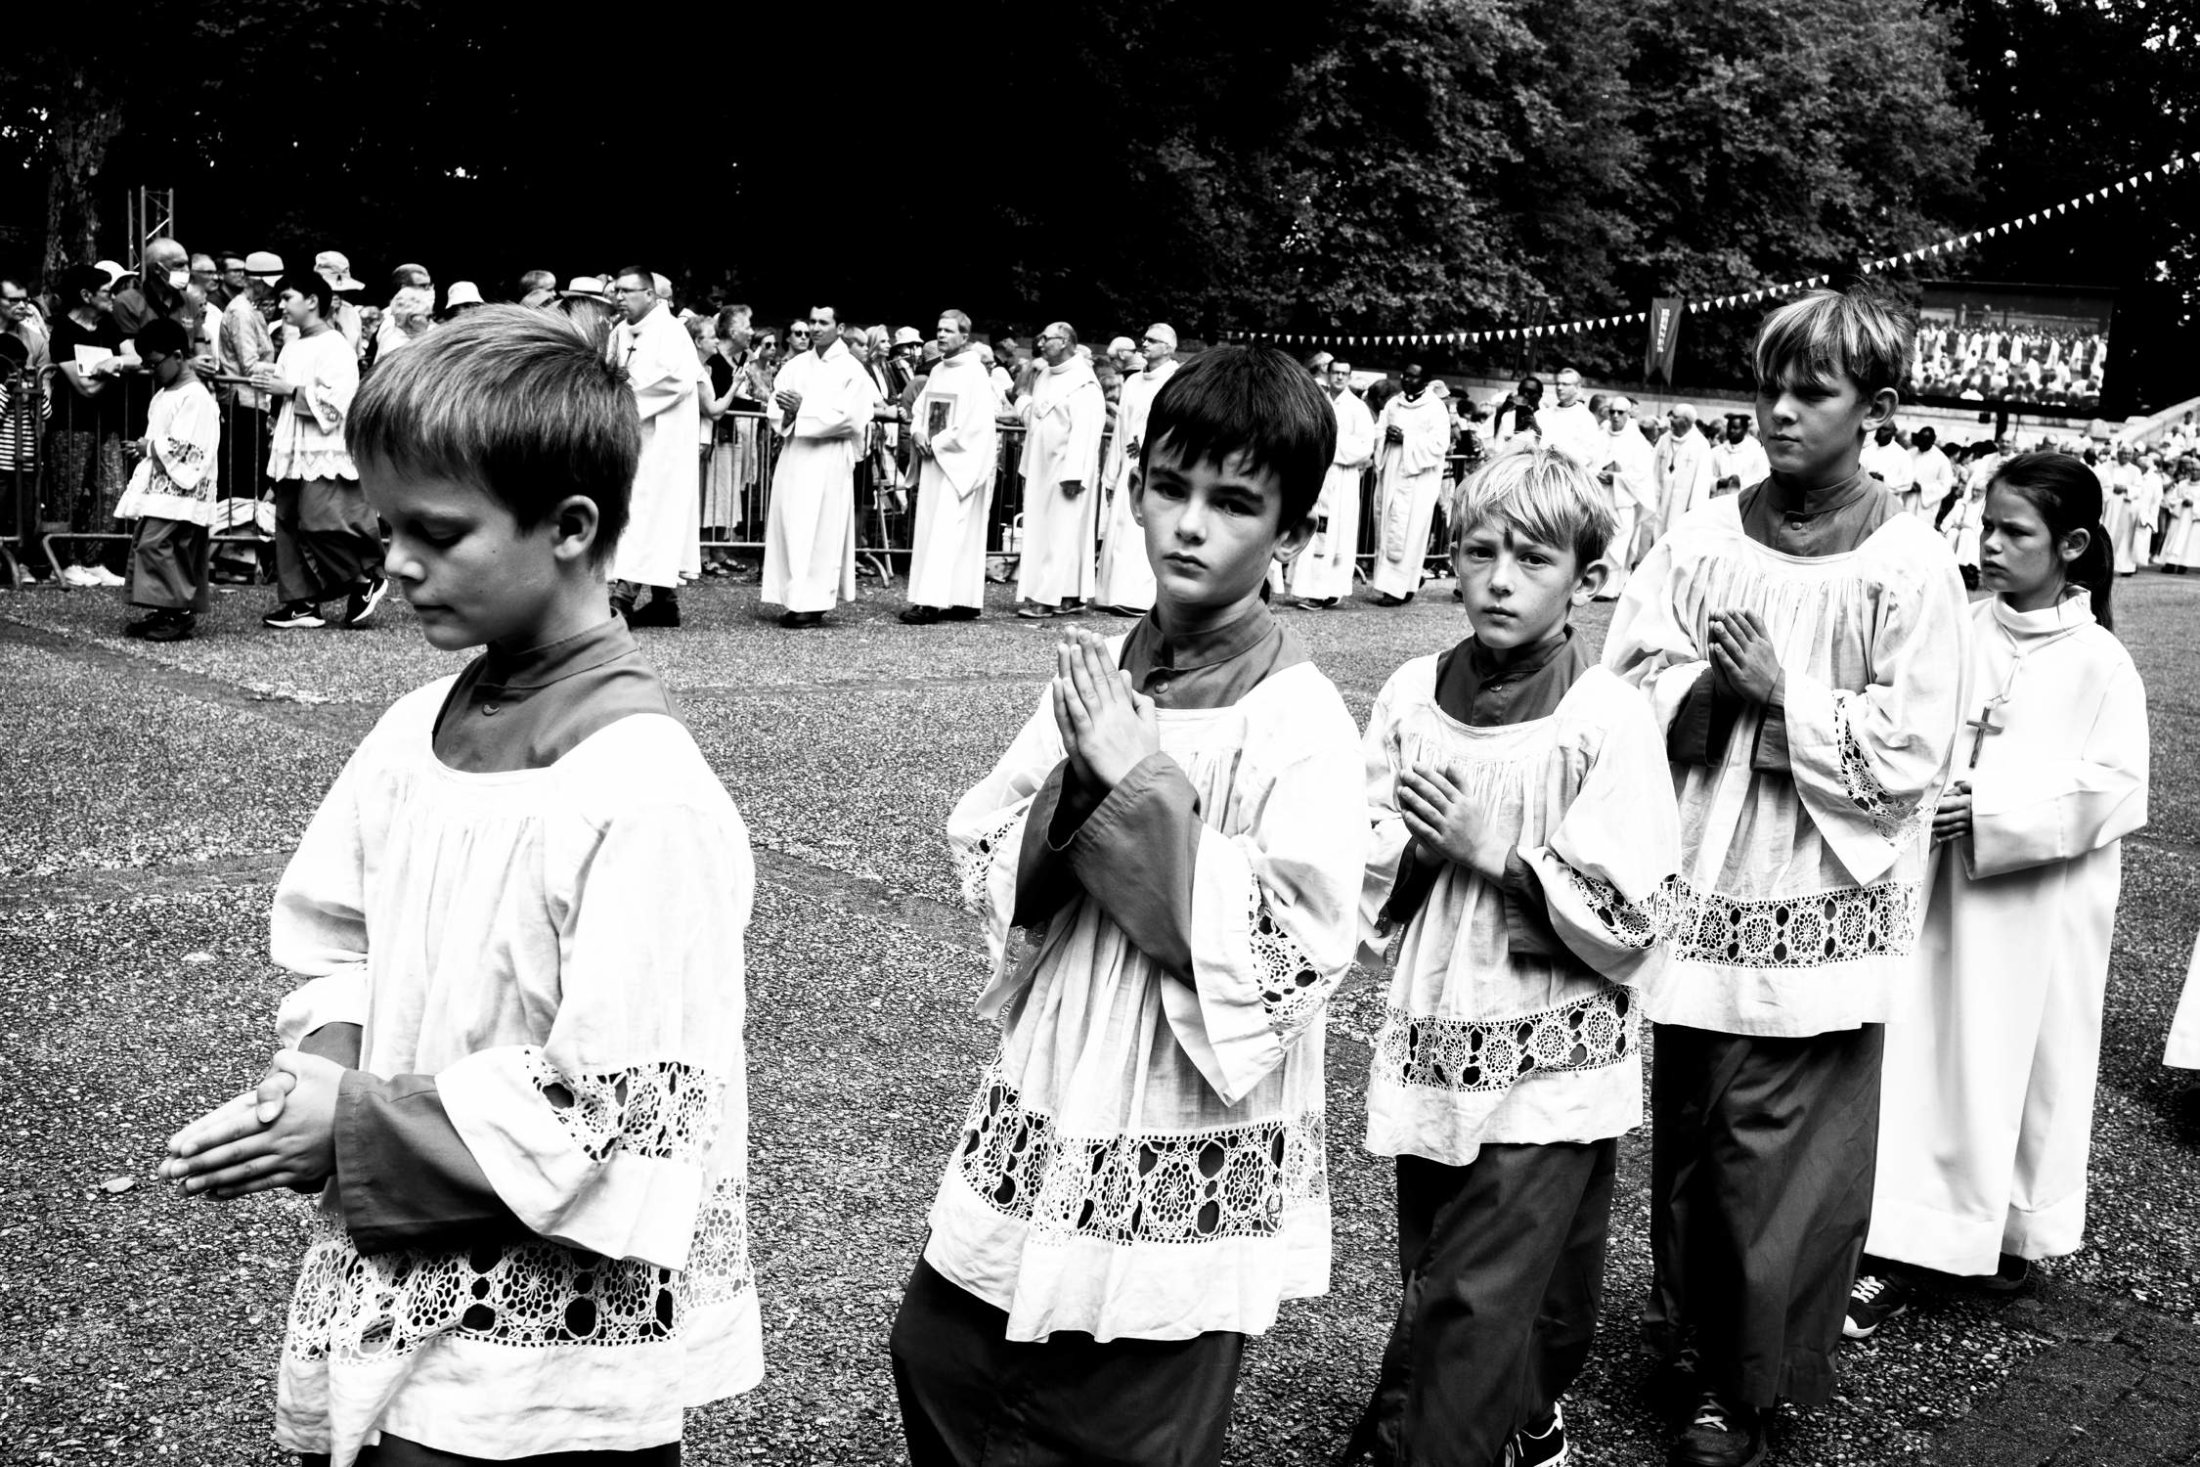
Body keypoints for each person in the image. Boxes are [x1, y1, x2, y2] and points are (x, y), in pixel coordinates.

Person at [156, 306, 761, 1466]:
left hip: (538, 1360)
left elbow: (622, 1115)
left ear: (573, 528)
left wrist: (359, 1130)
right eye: (387, 527)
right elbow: (340, 933)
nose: (394, 562)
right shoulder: (410, 730)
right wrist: (322, 1074)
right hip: (394, 1276)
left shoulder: (643, 792)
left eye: (436, 532)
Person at [890, 345, 1363, 1467]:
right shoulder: (1101, 666)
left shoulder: (1300, 720)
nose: (1189, 526)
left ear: (1290, 532)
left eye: (1235, 503)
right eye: (1171, 487)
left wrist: (1142, 784)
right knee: (942, 1351)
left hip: (1178, 1097)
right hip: (1064, 1060)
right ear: (1134, 484)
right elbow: (987, 841)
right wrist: (1079, 780)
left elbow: (1298, 953)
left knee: (1122, 1413)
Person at [1603, 289, 1968, 1467]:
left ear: (1878, 409)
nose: (1777, 412)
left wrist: (1785, 701)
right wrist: (1709, 695)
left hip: (1818, 887)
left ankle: (1746, 1379)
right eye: (1768, 387)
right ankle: (1689, 1329)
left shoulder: (1908, 566)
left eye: (1810, 392)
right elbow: (1629, 670)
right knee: (1697, 1130)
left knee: (1777, 1151)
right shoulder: (1704, 537)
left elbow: (1913, 750)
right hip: (1701, 879)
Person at [1346, 441, 1681, 1467]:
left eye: (1532, 560)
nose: (1498, 580)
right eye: (1478, 552)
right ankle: (1522, 1411)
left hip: (1551, 1045)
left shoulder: (1604, 716)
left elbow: (1636, 908)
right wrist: (1403, 853)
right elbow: (1359, 858)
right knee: (1440, 1258)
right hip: (1439, 1022)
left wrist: (1500, 855)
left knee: (1489, 1283)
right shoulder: (1410, 692)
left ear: (1586, 579)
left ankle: (1433, 1441)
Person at [1848, 452, 2146, 1340]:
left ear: (2075, 545)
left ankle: (2009, 1227)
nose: (1992, 544)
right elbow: (1905, 722)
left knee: (2022, 1065)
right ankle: (1898, 1237)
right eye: (1987, 526)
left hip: (2035, 910)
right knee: (1925, 1055)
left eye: (2015, 531)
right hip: (1939, 897)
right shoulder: (1961, 631)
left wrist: (1996, 808)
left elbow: (2118, 787)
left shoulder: (2103, 663)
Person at [258, 273, 388, 631]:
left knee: (320, 520)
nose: (281, 305)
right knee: (286, 521)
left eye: (287, 297)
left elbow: (340, 401)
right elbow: (282, 395)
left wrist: (290, 390)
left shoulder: (336, 346)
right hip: (291, 442)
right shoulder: (291, 346)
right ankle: (302, 602)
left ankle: (365, 577)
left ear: (312, 300)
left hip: (322, 445)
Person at [603, 267, 704, 628]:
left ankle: (622, 598)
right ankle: (665, 602)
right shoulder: (618, 331)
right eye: (616, 291)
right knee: (642, 513)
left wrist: (627, 395)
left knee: (651, 513)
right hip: (632, 437)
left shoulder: (672, 331)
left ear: (649, 294)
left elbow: (678, 380)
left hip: (665, 442)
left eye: (628, 291)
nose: (619, 298)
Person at [764, 305, 874, 628]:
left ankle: (813, 602)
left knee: (821, 528)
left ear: (839, 328)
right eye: (811, 322)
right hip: (796, 453)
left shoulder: (853, 370)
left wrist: (805, 408)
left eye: (823, 322)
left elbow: (852, 418)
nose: (815, 328)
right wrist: (788, 414)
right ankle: (792, 595)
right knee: (791, 524)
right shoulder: (796, 365)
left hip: (828, 457)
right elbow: (776, 406)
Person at [114, 319, 222, 641]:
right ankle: (166, 609)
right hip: (165, 489)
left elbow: (190, 447)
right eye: (146, 364)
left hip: (180, 491)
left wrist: (151, 447)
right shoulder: (167, 393)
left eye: (154, 363)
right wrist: (149, 450)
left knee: (159, 545)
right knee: (157, 544)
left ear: (177, 355)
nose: (150, 370)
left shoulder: (196, 396)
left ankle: (178, 612)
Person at [900, 310, 999, 624]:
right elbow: (920, 410)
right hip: (935, 462)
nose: (940, 335)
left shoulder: (975, 374)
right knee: (935, 530)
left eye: (948, 331)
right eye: (938, 330)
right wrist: (917, 431)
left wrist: (938, 441)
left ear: (965, 337)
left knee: (947, 532)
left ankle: (932, 602)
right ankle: (960, 599)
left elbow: (976, 425)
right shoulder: (940, 370)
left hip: (957, 464)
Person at [44, 261, 135, 586]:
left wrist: (115, 363)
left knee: (112, 488)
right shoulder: (64, 332)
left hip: (105, 422)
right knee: (66, 493)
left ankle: (93, 557)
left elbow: (134, 357)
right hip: (70, 424)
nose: (113, 298)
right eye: (106, 292)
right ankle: (64, 561)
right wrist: (114, 373)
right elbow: (83, 387)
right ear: (85, 295)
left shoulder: (109, 324)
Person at [1012, 322, 1105, 619]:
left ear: (1064, 341)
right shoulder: (1046, 377)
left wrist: (1074, 473)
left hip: (1066, 470)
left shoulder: (1084, 383)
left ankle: (1046, 597)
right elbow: (1039, 419)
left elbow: (1086, 430)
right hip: (1042, 467)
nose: (1040, 344)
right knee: (1047, 532)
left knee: (1061, 534)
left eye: (1046, 338)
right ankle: (1068, 595)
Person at [1093, 323, 1180, 616]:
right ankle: (1112, 592)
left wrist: (1148, 450)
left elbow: (1175, 424)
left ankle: (1141, 597)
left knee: (1143, 527)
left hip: (1158, 464)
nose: (1144, 344)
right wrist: (1112, 471)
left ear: (1168, 348)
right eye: (1144, 339)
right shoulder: (1131, 383)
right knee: (1120, 525)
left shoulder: (1176, 381)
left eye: (1152, 341)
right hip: (1129, 464)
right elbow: (1120, 430)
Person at [1289, 356, 1375, 609]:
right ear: (1328, 374)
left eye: (1343, 374)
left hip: (1342, 480)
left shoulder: (1357, 408)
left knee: (1337, 535)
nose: (1338, 377)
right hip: (1318, 474)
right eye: (1335, 372)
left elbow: (1364, 448)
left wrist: (1329, 446)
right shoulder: (1318, 403)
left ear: (1349, 377)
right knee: (1315, 531)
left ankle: (1329, 589)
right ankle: (1311, 588)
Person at [1370, 364, 1450, 605]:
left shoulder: (1435, 408)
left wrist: (1407, 439)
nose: (1407, 379)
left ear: (1425, 380)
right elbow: (1378, 432)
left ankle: (1400, 588)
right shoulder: (1393, 404)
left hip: (1419, 480)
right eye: (1405, 375)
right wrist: (1386, 437)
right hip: (1393, 474)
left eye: (1414, 376)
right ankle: (1395, 585)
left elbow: (1439, 445)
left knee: (1411, 533)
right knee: (1387, 527)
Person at [1653, 404, 1713, 535]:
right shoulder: (1664, 439)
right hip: (1660, 502)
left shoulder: (1701, 444)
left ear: (1685, 421)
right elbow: (1653, 470)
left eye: (1674, 417)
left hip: (1683, 506)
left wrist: (1694, 510)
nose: (1670, 419)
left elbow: (1701, 483)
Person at [1537, 366, 1600, 464]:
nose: (1559, 388)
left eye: (1565, 384)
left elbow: (1588, 455)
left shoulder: (1586, 419)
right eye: (1557, 384)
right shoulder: (1543, 414)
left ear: (1577, 387)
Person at [1707, 413, 1771, 498]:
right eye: (1729, 427)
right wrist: (1718, 483)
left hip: (1745, 501)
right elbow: (1705, 476)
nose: (1731, 431)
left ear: (1745, 430)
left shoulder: (1756, 452)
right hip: (1719, 500)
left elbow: (1764, 480)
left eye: (1735, 428)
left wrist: (1739, 481)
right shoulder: (1716, 452)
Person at [1909, 425, 1955, 520]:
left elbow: (1945, 486)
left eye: (1926, 440)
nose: (1922, 442)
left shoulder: (1942, 460)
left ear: (1933, 440)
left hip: (1926, 506)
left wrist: (1922, 488)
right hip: (1907, 500)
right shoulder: (1909, 453)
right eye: (1921, 439)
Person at [1860, 420, 1912, 501]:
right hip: (1866, 498)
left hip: (1889, 501)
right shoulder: (1866, 451)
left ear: (1893, 432)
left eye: (1885, 429)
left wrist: (1884, 480)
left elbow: (1907, 483)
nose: (1881, 432)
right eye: (1879, 429)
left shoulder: (1902, 455)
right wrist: (1868, 477)